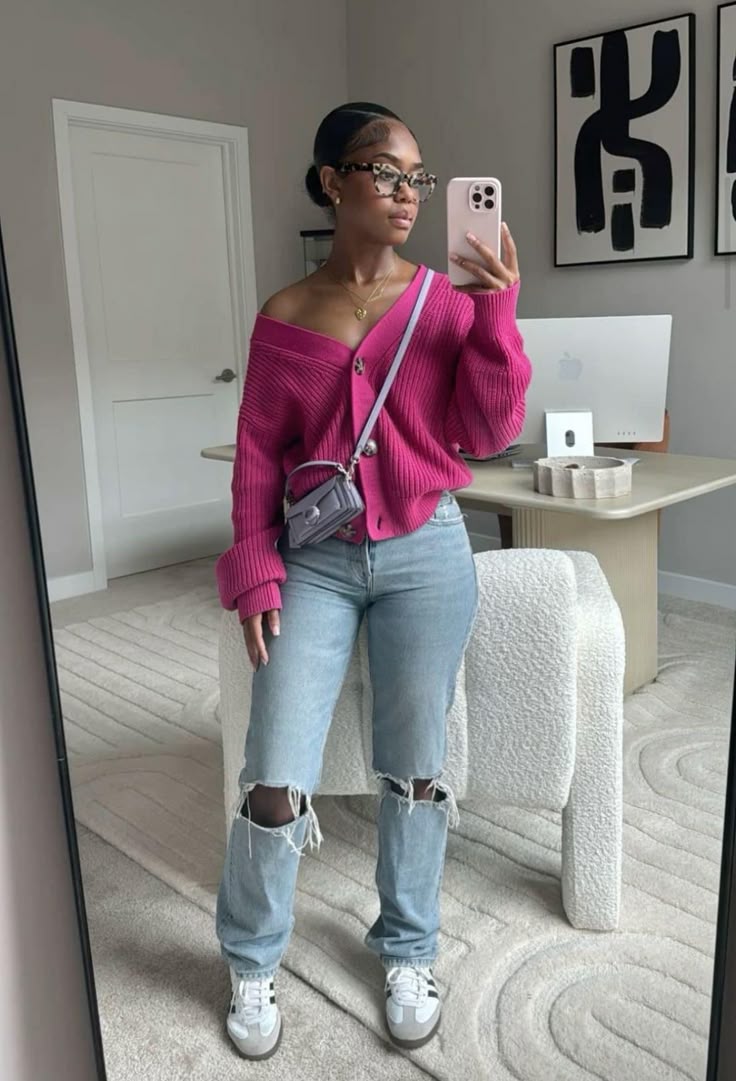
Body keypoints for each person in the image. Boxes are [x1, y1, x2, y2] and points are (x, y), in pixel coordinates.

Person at [214, 101, 531, 1061]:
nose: (407, 193)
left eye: (417, 177)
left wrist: (496, 313)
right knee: (275, 768)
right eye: (385, 171)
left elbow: (489, 433)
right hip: (314, 555)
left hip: (428, 549)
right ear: (331, 182)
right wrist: (255, 570)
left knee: (416, 764)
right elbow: (258, 458)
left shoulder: (446, 302)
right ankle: (252, 958)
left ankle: (409, 947)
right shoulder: (283, 315)